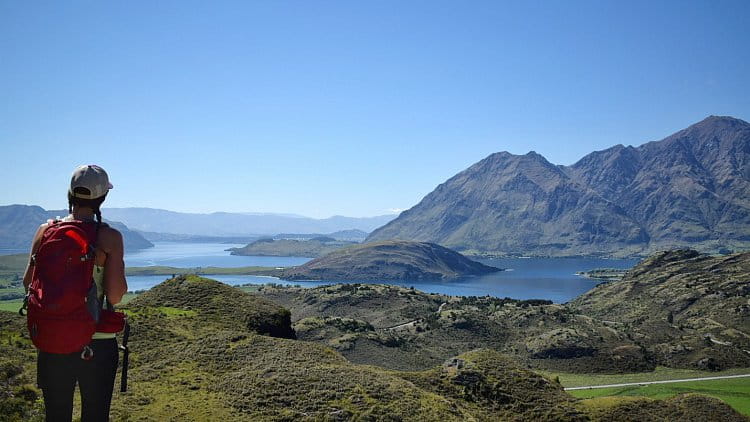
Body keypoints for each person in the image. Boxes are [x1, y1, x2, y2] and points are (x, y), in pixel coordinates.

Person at [23, 164, 128, 422]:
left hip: (53, 338)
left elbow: (29, 283)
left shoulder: (46, 231)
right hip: (97, 342)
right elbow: (114, 296)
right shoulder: (109, 238)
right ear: (103, 198)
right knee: (95, 416)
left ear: (70, 194)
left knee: (56, 416)